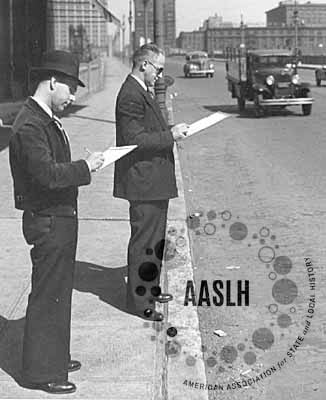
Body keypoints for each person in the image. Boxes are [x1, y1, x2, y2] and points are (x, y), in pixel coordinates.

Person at [9, 50, 104, 394]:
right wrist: (86, 167)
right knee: (48, 296)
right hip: (48, 220)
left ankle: (55, 357)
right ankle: (39, 371)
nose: (74, 96)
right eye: (70, 88)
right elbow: (46, 175)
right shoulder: (31, 124)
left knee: (58, 294)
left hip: (58, 218)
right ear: (52, 82)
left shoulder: (42, 117)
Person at [113, 43, 188, 322]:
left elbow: (148, 131)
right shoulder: (130, 95)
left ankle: (150, 289)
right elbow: (134, 139)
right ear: (143, 64)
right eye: (158, 68)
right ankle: (139, 302)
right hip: (143, 182)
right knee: (144, 240)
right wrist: (171, 136)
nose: (159, 74)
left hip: (152, 181)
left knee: (154, 240)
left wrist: (168, 131)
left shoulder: (140, 90)